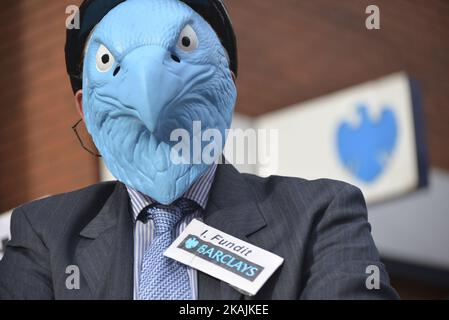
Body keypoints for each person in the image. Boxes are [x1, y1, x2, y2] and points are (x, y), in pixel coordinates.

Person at [0, 0, 399, 300]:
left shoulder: (320, 215)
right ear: (83, 107)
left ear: (228, 79)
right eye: (108, 61)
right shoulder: (44, 235)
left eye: (185, 43)